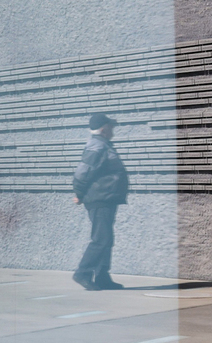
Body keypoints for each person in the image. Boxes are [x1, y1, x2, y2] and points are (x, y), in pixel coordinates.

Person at [72, 113, 130, 291]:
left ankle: (102, 276)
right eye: (111, 127)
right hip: (99, 199)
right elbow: (83, 172)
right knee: (101, 239)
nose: (113, 130)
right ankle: (83, 273)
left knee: (106, 239)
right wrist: (79, 193)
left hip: (107, 198)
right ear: (104, 129)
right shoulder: (96, 146)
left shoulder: (103, 145)